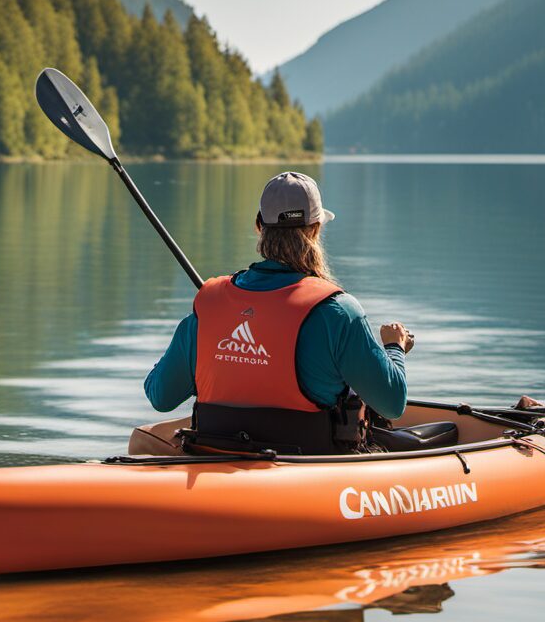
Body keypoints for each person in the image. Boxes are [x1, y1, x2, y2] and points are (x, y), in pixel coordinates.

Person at [143, 171, 416, 455]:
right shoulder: (339, 312)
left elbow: (160, 395)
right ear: (315, 230)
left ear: (259, 226)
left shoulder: (209, 305)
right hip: (306, 472)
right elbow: (392, 403)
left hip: (218, 459)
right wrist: (394, 348)